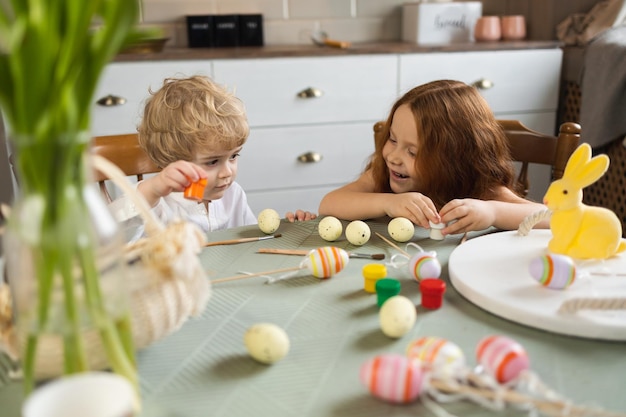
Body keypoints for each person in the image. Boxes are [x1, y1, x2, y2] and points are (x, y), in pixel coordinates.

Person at [318, 79, 548, 236]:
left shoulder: (483, 191)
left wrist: (493, 212)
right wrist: (388, 203)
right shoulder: (381, 176)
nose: (393, 157)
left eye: (412, 152)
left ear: (455, 159)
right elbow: (329, 204)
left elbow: (558, 220)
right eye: (393, 139)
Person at [109, 75, 316, 239]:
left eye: (234, 156)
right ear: (173, 159)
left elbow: (251, 242)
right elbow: (108, 231)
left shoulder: (232, 195)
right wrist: (152, 190)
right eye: (213, 162)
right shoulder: (156, 201)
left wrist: (292, 230)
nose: (228, 172)